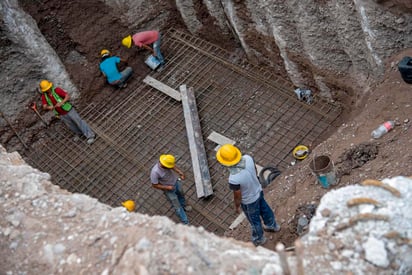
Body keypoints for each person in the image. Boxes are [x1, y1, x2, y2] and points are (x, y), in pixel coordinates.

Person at [216, 144, 280, 246]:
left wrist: (237, 206)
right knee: (265, 209)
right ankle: (272, 225)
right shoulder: (248, 158)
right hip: (258, 191)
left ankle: (259, 239)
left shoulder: (234, 178)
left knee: (254, 221)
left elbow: (237, 195)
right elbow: (254, 171)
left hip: (249, 202)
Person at [39, 80, 96, 144]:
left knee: (79, 121)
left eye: (48, 88)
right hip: (61, 114)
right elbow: (44, 106)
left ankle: (90, 135)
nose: (48, 90)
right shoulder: (45, 96)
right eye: (46, 89)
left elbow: (67, 96)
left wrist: (61, 102)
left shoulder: (57, 90)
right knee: (71, 125)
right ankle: (79, 133)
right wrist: (49, 107)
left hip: (68, 110)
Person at [150, 154, 192, 224]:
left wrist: (180, 172)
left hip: (176, 182)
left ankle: (184, 206)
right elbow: (154, 185)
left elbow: (172, 166)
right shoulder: (155, 172)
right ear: (164, 165)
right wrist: (167, 187)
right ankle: (185, 221)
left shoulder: (166, 163)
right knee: (177, 205)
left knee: (181, 195)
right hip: (169, 189)